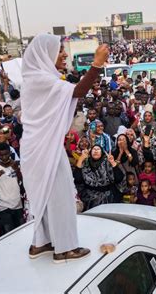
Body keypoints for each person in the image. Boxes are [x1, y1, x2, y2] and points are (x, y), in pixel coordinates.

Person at [21, 34, 109, 263]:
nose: (65, 54)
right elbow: (78, 91)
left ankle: (42, 242)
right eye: (60, 50)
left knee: (45, 197)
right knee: (60, 196)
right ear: (45, 54)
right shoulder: (41, 79)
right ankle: (65, 248)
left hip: (38, 148)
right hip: (44, 149)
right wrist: (97, 63)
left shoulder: (35, 78)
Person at [0, 142, 24, 235]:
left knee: (22, 232)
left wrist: (17, 170)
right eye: (1, 155)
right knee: (9, 234)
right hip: (2, 206)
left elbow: (25, 182)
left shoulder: (18, 165)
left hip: (18, 204)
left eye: (6, 154)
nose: (4, 157)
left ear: (10, 152)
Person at [75, 145, 122, 210]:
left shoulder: (107, 162)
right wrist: (81, 159)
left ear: (102, 152)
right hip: (88, 199)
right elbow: (77, 179)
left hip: (106, 199)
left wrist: (112, 162)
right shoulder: (85, 162)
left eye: (98, 149)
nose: (96, 151)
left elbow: (119, 178)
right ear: (90, 152)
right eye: (94, 149)